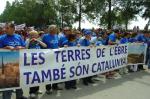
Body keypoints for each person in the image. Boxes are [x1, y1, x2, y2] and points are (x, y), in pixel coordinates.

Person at [0, 23, 27, 99]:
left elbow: (24, 47)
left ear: (13, 29)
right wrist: (6, 47)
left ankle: (20, 96)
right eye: (5, 28)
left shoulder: (18, 37)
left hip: (19, 63)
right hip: (6, 63)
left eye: (7, 28)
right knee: (8, 82)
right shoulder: (1, 38)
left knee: (18, 80)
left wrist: (20, 47)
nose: (5, 29)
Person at [26, 30, 47, 98]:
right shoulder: (27, 41)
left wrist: (38, 41)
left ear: (37, 36)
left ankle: (37, 89)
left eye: (35, 35)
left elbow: (45, 46)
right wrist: (29, 41)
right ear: (29, 36)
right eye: (31, 35)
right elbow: (25, 48)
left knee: (38, 76)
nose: (33, 36)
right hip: (31, 63)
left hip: (39, 62)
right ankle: (31, 92)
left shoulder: (38, 41)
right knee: (32, 77)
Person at [42, 25, 63, 94]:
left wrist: (61, 48)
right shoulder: (45, 36)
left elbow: (58, 45)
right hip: (48, 57)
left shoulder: (57, 36)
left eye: (55, 29)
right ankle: (48, 88)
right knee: (48, 72)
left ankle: (55, 86)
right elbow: (42, 46)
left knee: (56, 72)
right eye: (52, 29)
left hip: (56, 57)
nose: (54, 30)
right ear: (49, 29)